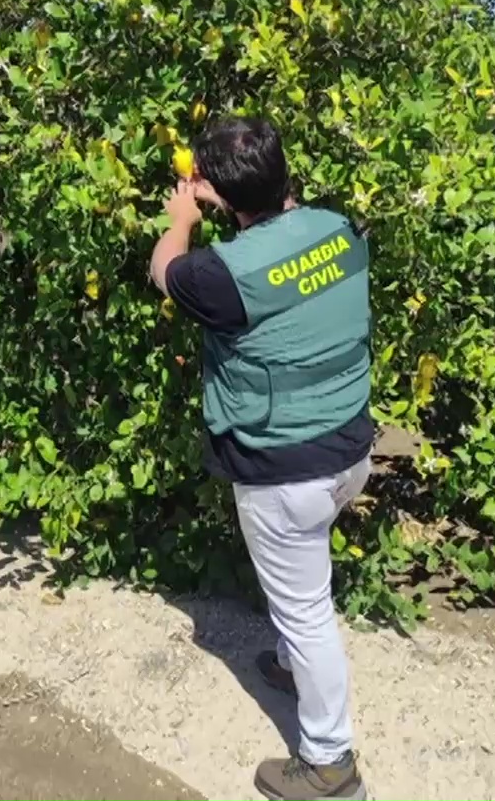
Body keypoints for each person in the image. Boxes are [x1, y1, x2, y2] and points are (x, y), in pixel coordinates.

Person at [150, 116, 373, 801]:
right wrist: (233, 199)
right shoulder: (343, 228)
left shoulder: (219, 275)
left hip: (285, 470)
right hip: (347, 446)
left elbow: (165, 272)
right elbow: (284, 248)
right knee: (305, 584)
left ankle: (330, 764)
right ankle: (290, 664)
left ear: (218, 189)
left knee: (306, 609)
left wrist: (184, 215)